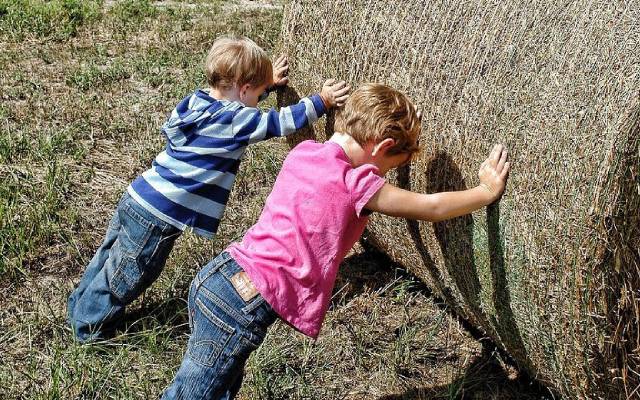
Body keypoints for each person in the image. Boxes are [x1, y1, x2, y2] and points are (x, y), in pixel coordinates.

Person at [160, 83, 510, 399]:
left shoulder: (306, 151)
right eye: (392, 164)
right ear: (384, 146)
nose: (384, 176)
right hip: (243, 303)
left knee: (218, 384)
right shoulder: (356, 184)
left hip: (221, 276)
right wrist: (484, 191)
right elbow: (429, 207)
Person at [67, 36, 350, 342]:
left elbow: (237, 109)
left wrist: (265, 86)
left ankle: (79, 307)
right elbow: (280, 122)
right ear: (242, 90)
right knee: (128, 273)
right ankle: (90, 330)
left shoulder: (198, 100)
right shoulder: (235, 120)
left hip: (139, 195)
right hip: (160, 215)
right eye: (256, 93)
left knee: (108, 257)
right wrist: (321, 100)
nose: (258, 100)